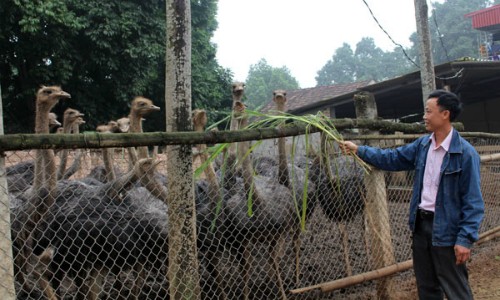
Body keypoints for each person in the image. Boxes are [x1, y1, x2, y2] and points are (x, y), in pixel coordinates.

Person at [339, 90, 484, 300]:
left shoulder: (466, 153)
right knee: (427, 288)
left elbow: (473, 201)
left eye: (428, 111)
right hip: (420, 226)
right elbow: (391, 157)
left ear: (445, 114)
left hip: (447, 230)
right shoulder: (423, 145)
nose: (424, 116)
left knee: (455, 289)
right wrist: (359, 150)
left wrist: (465, 238)